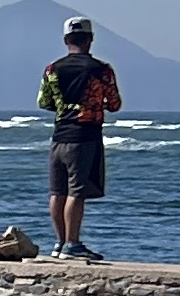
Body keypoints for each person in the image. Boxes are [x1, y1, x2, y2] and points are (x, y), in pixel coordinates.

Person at [37, 16, 121, 258]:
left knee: (57, 192)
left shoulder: (52, 69)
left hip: (59, 137)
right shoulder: (101, 70)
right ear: (90, 39)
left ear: (66, 40)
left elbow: (44, 102)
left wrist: (66, 108)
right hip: (85, 137)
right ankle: (73, 244)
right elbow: (114, 104)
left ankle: (59, 243)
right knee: (77, 192)